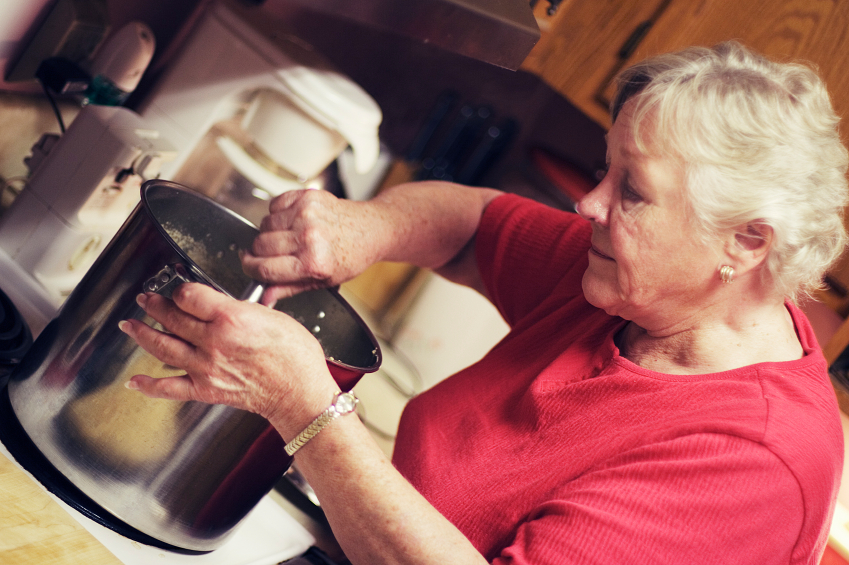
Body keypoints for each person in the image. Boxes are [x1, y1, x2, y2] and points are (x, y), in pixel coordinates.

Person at [119, 41, 848, 564]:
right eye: (605, 169)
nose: (588, 202)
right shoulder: (632, 285)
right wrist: (364, 226)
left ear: (747, 243)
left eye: (631, 190)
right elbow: (471, 226)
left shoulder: (751, 463)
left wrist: (306, 411)